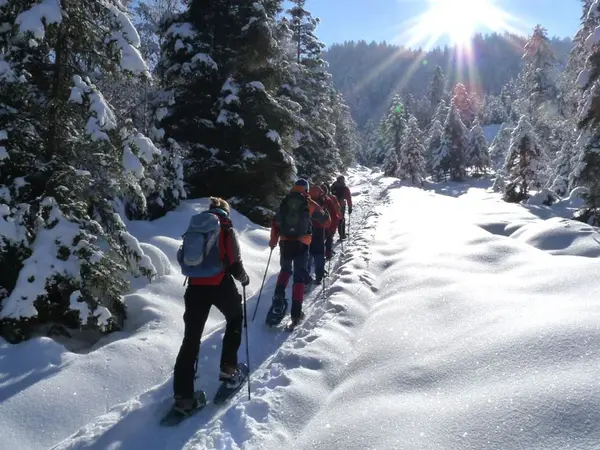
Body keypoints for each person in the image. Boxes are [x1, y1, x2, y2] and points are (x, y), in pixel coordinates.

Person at [173, 197, 250, 414]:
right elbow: (234, 261)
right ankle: (228, 370)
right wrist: (243, 279)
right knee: (234, 317)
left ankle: (183, 395)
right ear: (226, 211)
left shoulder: (197, 225)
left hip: (194, 287)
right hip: (219, 284)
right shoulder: (225, 227)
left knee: (191, 338)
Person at [268, 179, 330, 325]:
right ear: (306, 189)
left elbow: (275, 223)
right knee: (299, 276)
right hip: (302, 243)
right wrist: (325, 213)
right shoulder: (308, 203)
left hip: (284, 242)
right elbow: (326, 222)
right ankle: (296, 313)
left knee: (285, 270)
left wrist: (273, 242)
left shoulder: (285, 201)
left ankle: (278, 297)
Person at [306, 185, 332, 284]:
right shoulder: (321, 203)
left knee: (307, 254)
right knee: (319, 254)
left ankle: (305, 278)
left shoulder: (306, 201)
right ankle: (319, 275)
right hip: (319, 231)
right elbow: (327, 221)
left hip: (306, 231)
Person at [320, 183, 342, 260]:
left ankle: (316, 256)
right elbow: (337, 209)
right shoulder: (332, 198)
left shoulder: (314, 199)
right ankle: (328, 253)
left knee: (319, 239)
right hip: (331, 222)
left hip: (318, 224)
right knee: (329, 237)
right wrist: (340, 217)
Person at [330, 175, 353, 240]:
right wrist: (350, 207)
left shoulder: (333, 186)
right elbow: (348, 198)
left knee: (332, 219)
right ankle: (342, 235)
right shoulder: (345, 188)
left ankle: (330, 235)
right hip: (341, 205)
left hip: (332, 205)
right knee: (341, 219)